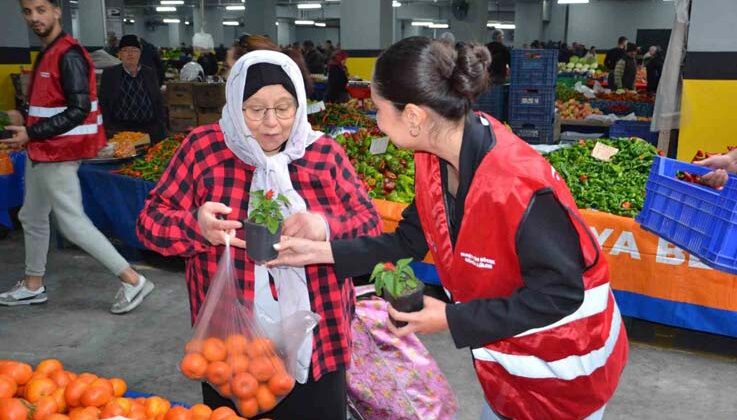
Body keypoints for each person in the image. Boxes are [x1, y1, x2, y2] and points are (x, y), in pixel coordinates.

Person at [268, 36, 628, 420]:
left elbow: (560, 294)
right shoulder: (434, 158)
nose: (375, 121)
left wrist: (452, 319)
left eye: (378, 109)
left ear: (413, 117)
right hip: (507, 366)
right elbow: (409, 238)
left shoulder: (518, 185)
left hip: (567, 368)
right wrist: (323, 252)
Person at [136, 50, 382, 419]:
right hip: (232, 347)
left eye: (284, 108)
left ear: (300, 104)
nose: (271, 124)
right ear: (235, 105)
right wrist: (197, 227)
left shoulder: (323, 155)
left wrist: (326, 226)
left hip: (318, 340)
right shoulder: (204, 149)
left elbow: (369, 224)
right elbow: (149, 224)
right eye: (255, 109)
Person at [0, 0, 153, 313]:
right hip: (42, 150)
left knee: (72, 222)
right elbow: (51, 105)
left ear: (57, 10)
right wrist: (27, 129)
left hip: (58, 152)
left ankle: (132, 279)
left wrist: (33, 133)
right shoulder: (49, 51)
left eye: (41, 10)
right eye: (28, 12)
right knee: (32, 216)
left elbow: (78, 108)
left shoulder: (67, 54)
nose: (34, 18)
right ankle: (33, 283)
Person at [99, 35, 168, 143]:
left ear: (140, 53)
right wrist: (108, 129)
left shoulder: (149, 73)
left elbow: (158, 100)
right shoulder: (110, 74)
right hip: (122, 130)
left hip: (149, 129)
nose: (130, 54)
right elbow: (104, 103)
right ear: (120, 54)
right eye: (125, 50)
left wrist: (162, 126)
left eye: (134, 50)